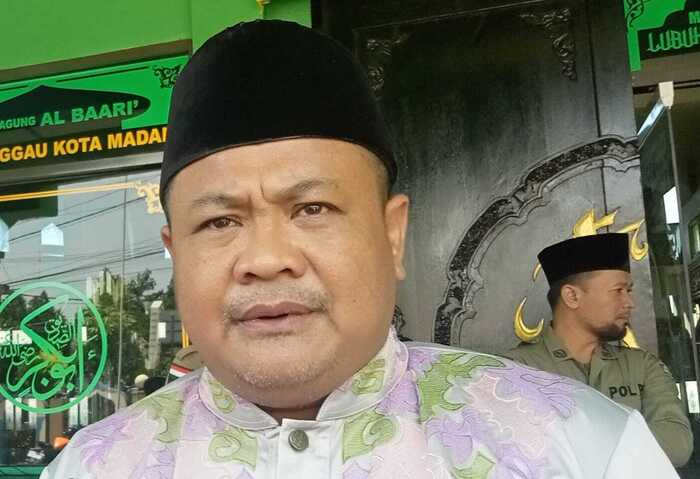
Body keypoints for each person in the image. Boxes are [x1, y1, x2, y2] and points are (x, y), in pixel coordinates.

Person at [42, 20, 680, 478]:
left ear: (392, 234)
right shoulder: (91, 467)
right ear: (175, 253)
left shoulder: (583, 446)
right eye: (219, 222)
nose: (265, 259)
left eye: (312, 209)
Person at [508, 233, 694, 467]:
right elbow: (510, 454)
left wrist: (569, 444)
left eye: (629, 291)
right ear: (572, 296)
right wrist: (632, 442)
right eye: (619, 290)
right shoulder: (514, 371)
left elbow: (677, 445)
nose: (630, 303)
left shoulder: (643, 366)